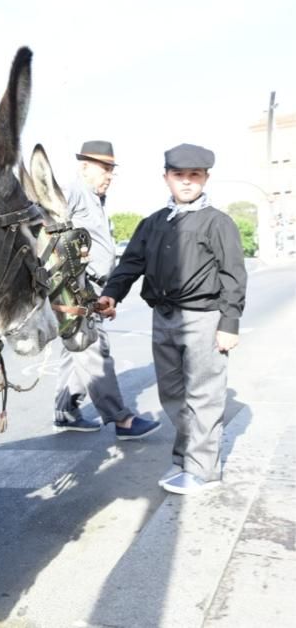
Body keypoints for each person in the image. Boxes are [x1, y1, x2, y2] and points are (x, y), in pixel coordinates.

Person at [98, 143, 247, 494]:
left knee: (204, 395)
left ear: (205, 178)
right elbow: (131, 264)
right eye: (178, 175)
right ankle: (186, 459)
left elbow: (233, 276)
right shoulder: (153, 223)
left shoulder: (218, 222)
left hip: (204, 318)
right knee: (173, 393)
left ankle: (204, 471)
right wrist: (111, 294)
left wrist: (230, 323)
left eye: (194, 175)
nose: (186, 182)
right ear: (166, 177)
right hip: (163, 317)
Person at [53, 140, 161, 440]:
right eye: (104, 169)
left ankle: (65, 411)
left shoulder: (96, 199)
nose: (109, 175)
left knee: (75, 350)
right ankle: (121, 419)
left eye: (112, 170)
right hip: (76, 285)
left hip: (94, 286)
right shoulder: (72, 191)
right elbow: (46, 227)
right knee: (92, 349)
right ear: (84, 166)